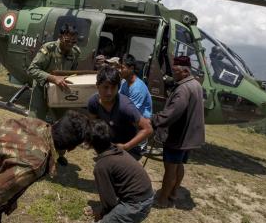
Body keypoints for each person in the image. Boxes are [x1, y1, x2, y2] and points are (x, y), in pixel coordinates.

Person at [150, 56, 205, 208]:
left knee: (170, 169)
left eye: (175, 71)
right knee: (179, 165)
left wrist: (153, 120)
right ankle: (173, 193)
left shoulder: (183, 89)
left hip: (178, 136)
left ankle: (162, 200)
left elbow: (172, 113)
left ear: (185, 71)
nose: (172, 74)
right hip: (189, 137)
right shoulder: (196, 84)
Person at [89, 120, 154, 223]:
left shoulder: (102, 166)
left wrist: (103, 217)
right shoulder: (118, 149)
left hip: (136, 204)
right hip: (147, 197)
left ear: (90, 143)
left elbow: (109, 202)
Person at [87, 66, 153, 160]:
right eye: (105, 87)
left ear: (118, 87)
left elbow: (148, 129)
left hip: (129, 151)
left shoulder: (125, 106)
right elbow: (93, 126)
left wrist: (126, 146)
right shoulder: (93, 102)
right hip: (108, 148)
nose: (109, 92)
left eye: (113, 87)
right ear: (97, 86)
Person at [27, 23, 81, 122]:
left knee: (63, 123)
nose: (70, 44)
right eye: (67, 41)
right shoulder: (48, 48)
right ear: (60, 37)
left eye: (73, 42)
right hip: (42, 89)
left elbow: (73, 72)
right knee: (34, 123)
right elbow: (32, 69)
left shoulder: (75, 52)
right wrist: (53, 78)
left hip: (60, 90)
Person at [119, 54, 153, 119]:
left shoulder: (138, 88)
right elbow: (118, 99)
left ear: (131, 69)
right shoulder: (124, 82)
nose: (119, 70)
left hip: (142, 120)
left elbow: (130, 112)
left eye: (122, 68)